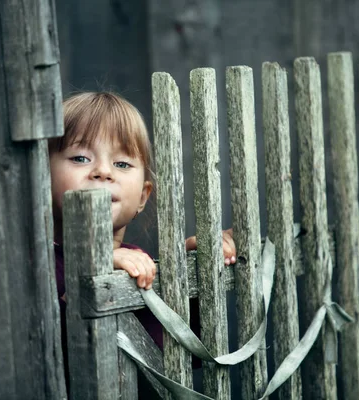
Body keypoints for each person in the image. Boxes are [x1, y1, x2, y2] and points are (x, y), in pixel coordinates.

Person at [48, 91, 235, 389]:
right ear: (42, 179)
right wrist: (90, 271)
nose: (103, 172)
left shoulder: (139, 262)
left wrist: (192, 273)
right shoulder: (38, 265)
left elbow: (181, 355)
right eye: (80, 158)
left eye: (122, 164)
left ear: (143, 197)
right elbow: (43, 351)